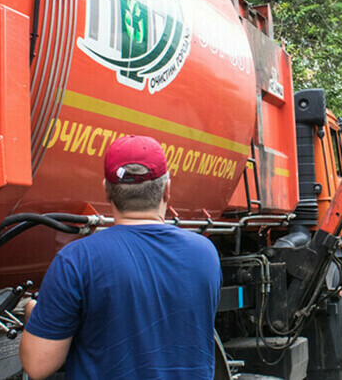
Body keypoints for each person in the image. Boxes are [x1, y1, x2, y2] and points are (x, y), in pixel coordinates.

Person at [19, 135, 222, 379]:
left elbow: (38, 365)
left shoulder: (76, 260)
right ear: (167, 190)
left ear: (106, 191)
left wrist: (36, 313)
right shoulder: (205, 253)